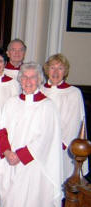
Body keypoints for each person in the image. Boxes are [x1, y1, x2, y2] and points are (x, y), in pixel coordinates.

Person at [0, 62, 63, 207]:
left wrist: (20, 155)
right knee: (11, 203)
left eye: (32, 77)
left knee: (30, 205)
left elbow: (46, 137)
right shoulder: (11, 102)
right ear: (19, 79)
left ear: (40, 80)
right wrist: (7, 151)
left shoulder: (47, 106)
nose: (28, 81)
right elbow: (1, 129)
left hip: (34, 166)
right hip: (11, 162)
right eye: (24, 77)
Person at [42, 54, 87, 183]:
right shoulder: (39, 90)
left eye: (60, 68)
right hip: (40, 146)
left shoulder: (73, 93)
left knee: (59, 180)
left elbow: (74, 123)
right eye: (52, 68)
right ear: (47, 70)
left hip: (61, 147)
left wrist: (59, 145)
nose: (55, 72)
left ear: (65, 71)